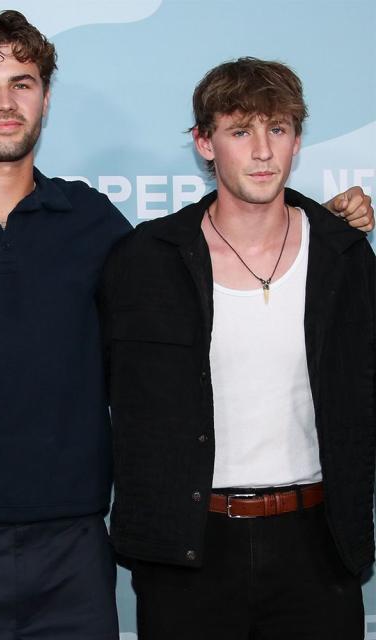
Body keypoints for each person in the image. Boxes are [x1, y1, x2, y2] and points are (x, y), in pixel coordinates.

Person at [0, 9, 374, 640]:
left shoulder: (97, 225)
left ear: (46, 99)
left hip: (74, 541)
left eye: (22, 83)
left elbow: (220, 251)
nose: (4, 102)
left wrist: (320, 223)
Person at [100, 57, 374, 639]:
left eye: (277, 129)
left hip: (317, 545)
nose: (262, 152)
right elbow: (107, 388)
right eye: (240, 131)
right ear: (204, 143)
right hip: (189, 550)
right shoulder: (147, 259)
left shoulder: (342, 256)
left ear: (298, 140)